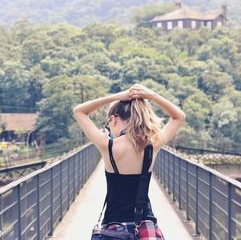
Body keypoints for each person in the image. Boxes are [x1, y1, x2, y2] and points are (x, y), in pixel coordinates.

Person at [73, 84, 185, 239]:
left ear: (113, 119)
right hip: (145, 226)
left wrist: (116, 96)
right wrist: (151, 95)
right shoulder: (152, 145)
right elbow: (179, 116)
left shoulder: (108, 146)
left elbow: (79, 111)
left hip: (114, 228)